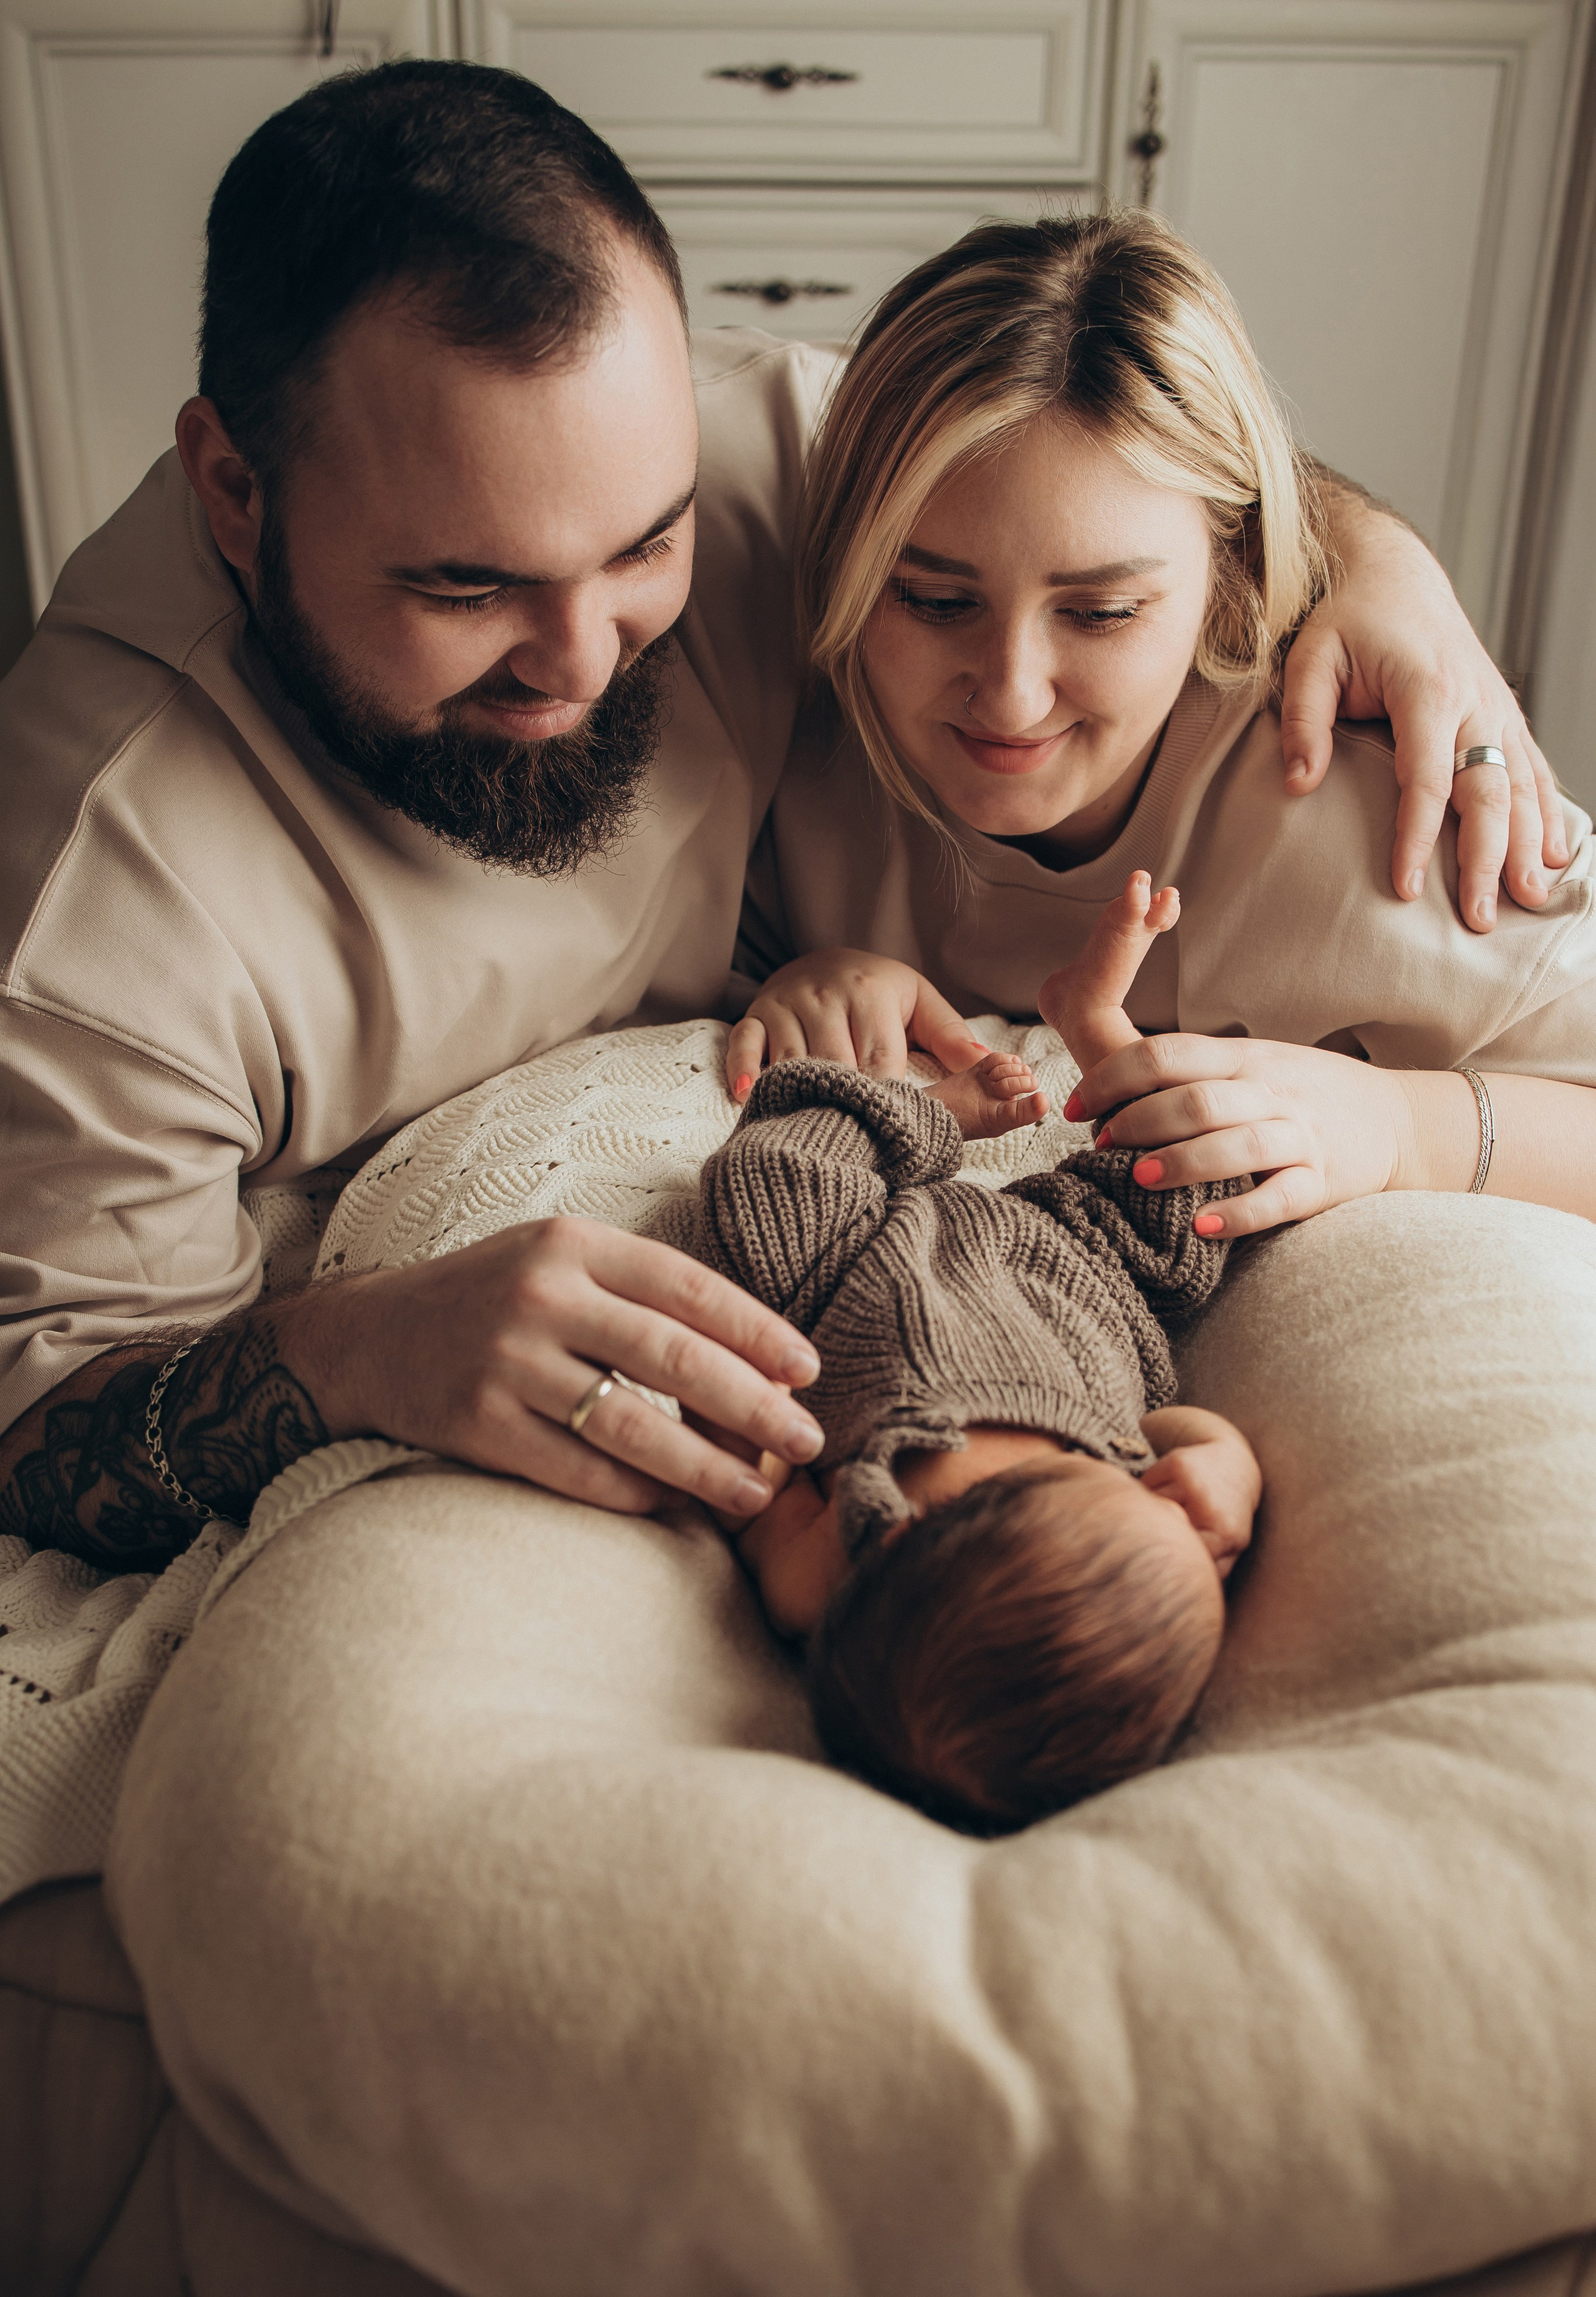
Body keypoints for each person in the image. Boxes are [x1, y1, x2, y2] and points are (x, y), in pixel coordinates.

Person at [0, 71, 1560, 1577]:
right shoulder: (97, 902)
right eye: (465, 587)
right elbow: (30, 1428)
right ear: (234, 493)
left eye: (645, 549)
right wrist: (353, 1351)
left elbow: (1087, 432)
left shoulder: (734, 451)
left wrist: (1372, 557)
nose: (585, 656)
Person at [729, 211, 1596, 1232]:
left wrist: (1404, 1124)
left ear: (1232, 573)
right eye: (932, 600)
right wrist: (813, 974)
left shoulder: (1373, 808)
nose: (1011, 695)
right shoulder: (793, 732)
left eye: (1100, 614)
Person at [697, 870, 1261, 1834]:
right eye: (1214, 1553)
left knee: (772, 1187)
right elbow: (1165, 1424)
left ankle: (923, 1115)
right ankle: (1095, 1019)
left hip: (870, 1268)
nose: (1188, 1505)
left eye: (1171, 1510)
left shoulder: (826, 1569)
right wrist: (1230, 1464)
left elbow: (742, 1470)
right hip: (1081, 1275)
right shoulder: (1131, 1478)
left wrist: (756, 1400)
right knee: (1197, 1190)